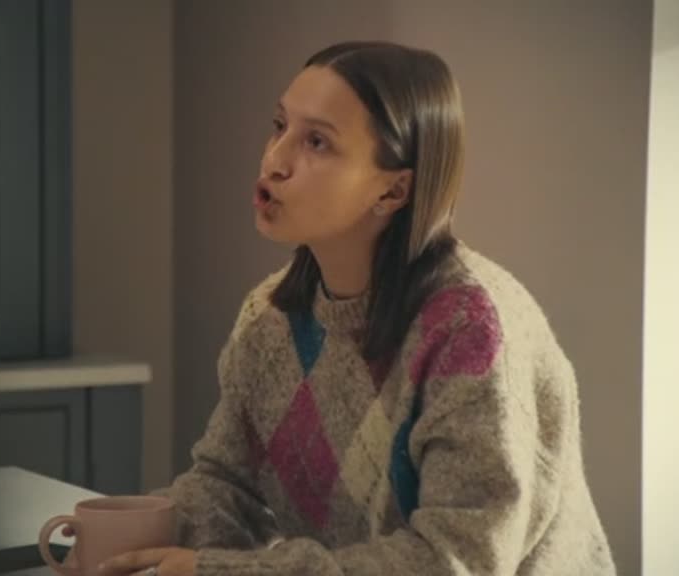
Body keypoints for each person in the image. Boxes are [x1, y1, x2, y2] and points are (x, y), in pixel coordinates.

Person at [97, 41, 616, 575]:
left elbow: (455, 561)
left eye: (317, 142)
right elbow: (226, 486)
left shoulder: (471, 333)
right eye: (279, 126)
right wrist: (118, 544)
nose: (274, 160)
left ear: (393, 191)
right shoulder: (269, 319)